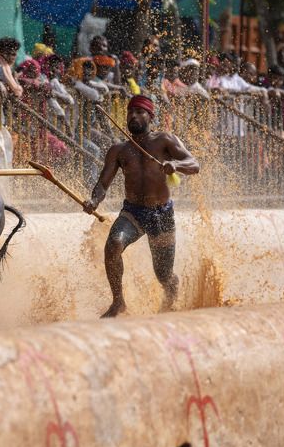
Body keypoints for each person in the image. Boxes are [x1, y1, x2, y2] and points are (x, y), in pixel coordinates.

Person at [82, 95, 200, 317]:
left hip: (161, 214)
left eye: (139, 112)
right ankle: (118, 302)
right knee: (113, 244)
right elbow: (102, 184)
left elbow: (194, 164)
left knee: (163, 274)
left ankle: (171, 298)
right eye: (130, 112)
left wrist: (175, 164)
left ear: (150, 116)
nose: (133, 116)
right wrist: (94, 201)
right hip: (133, 212)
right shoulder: (118, 150)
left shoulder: (164, 140)